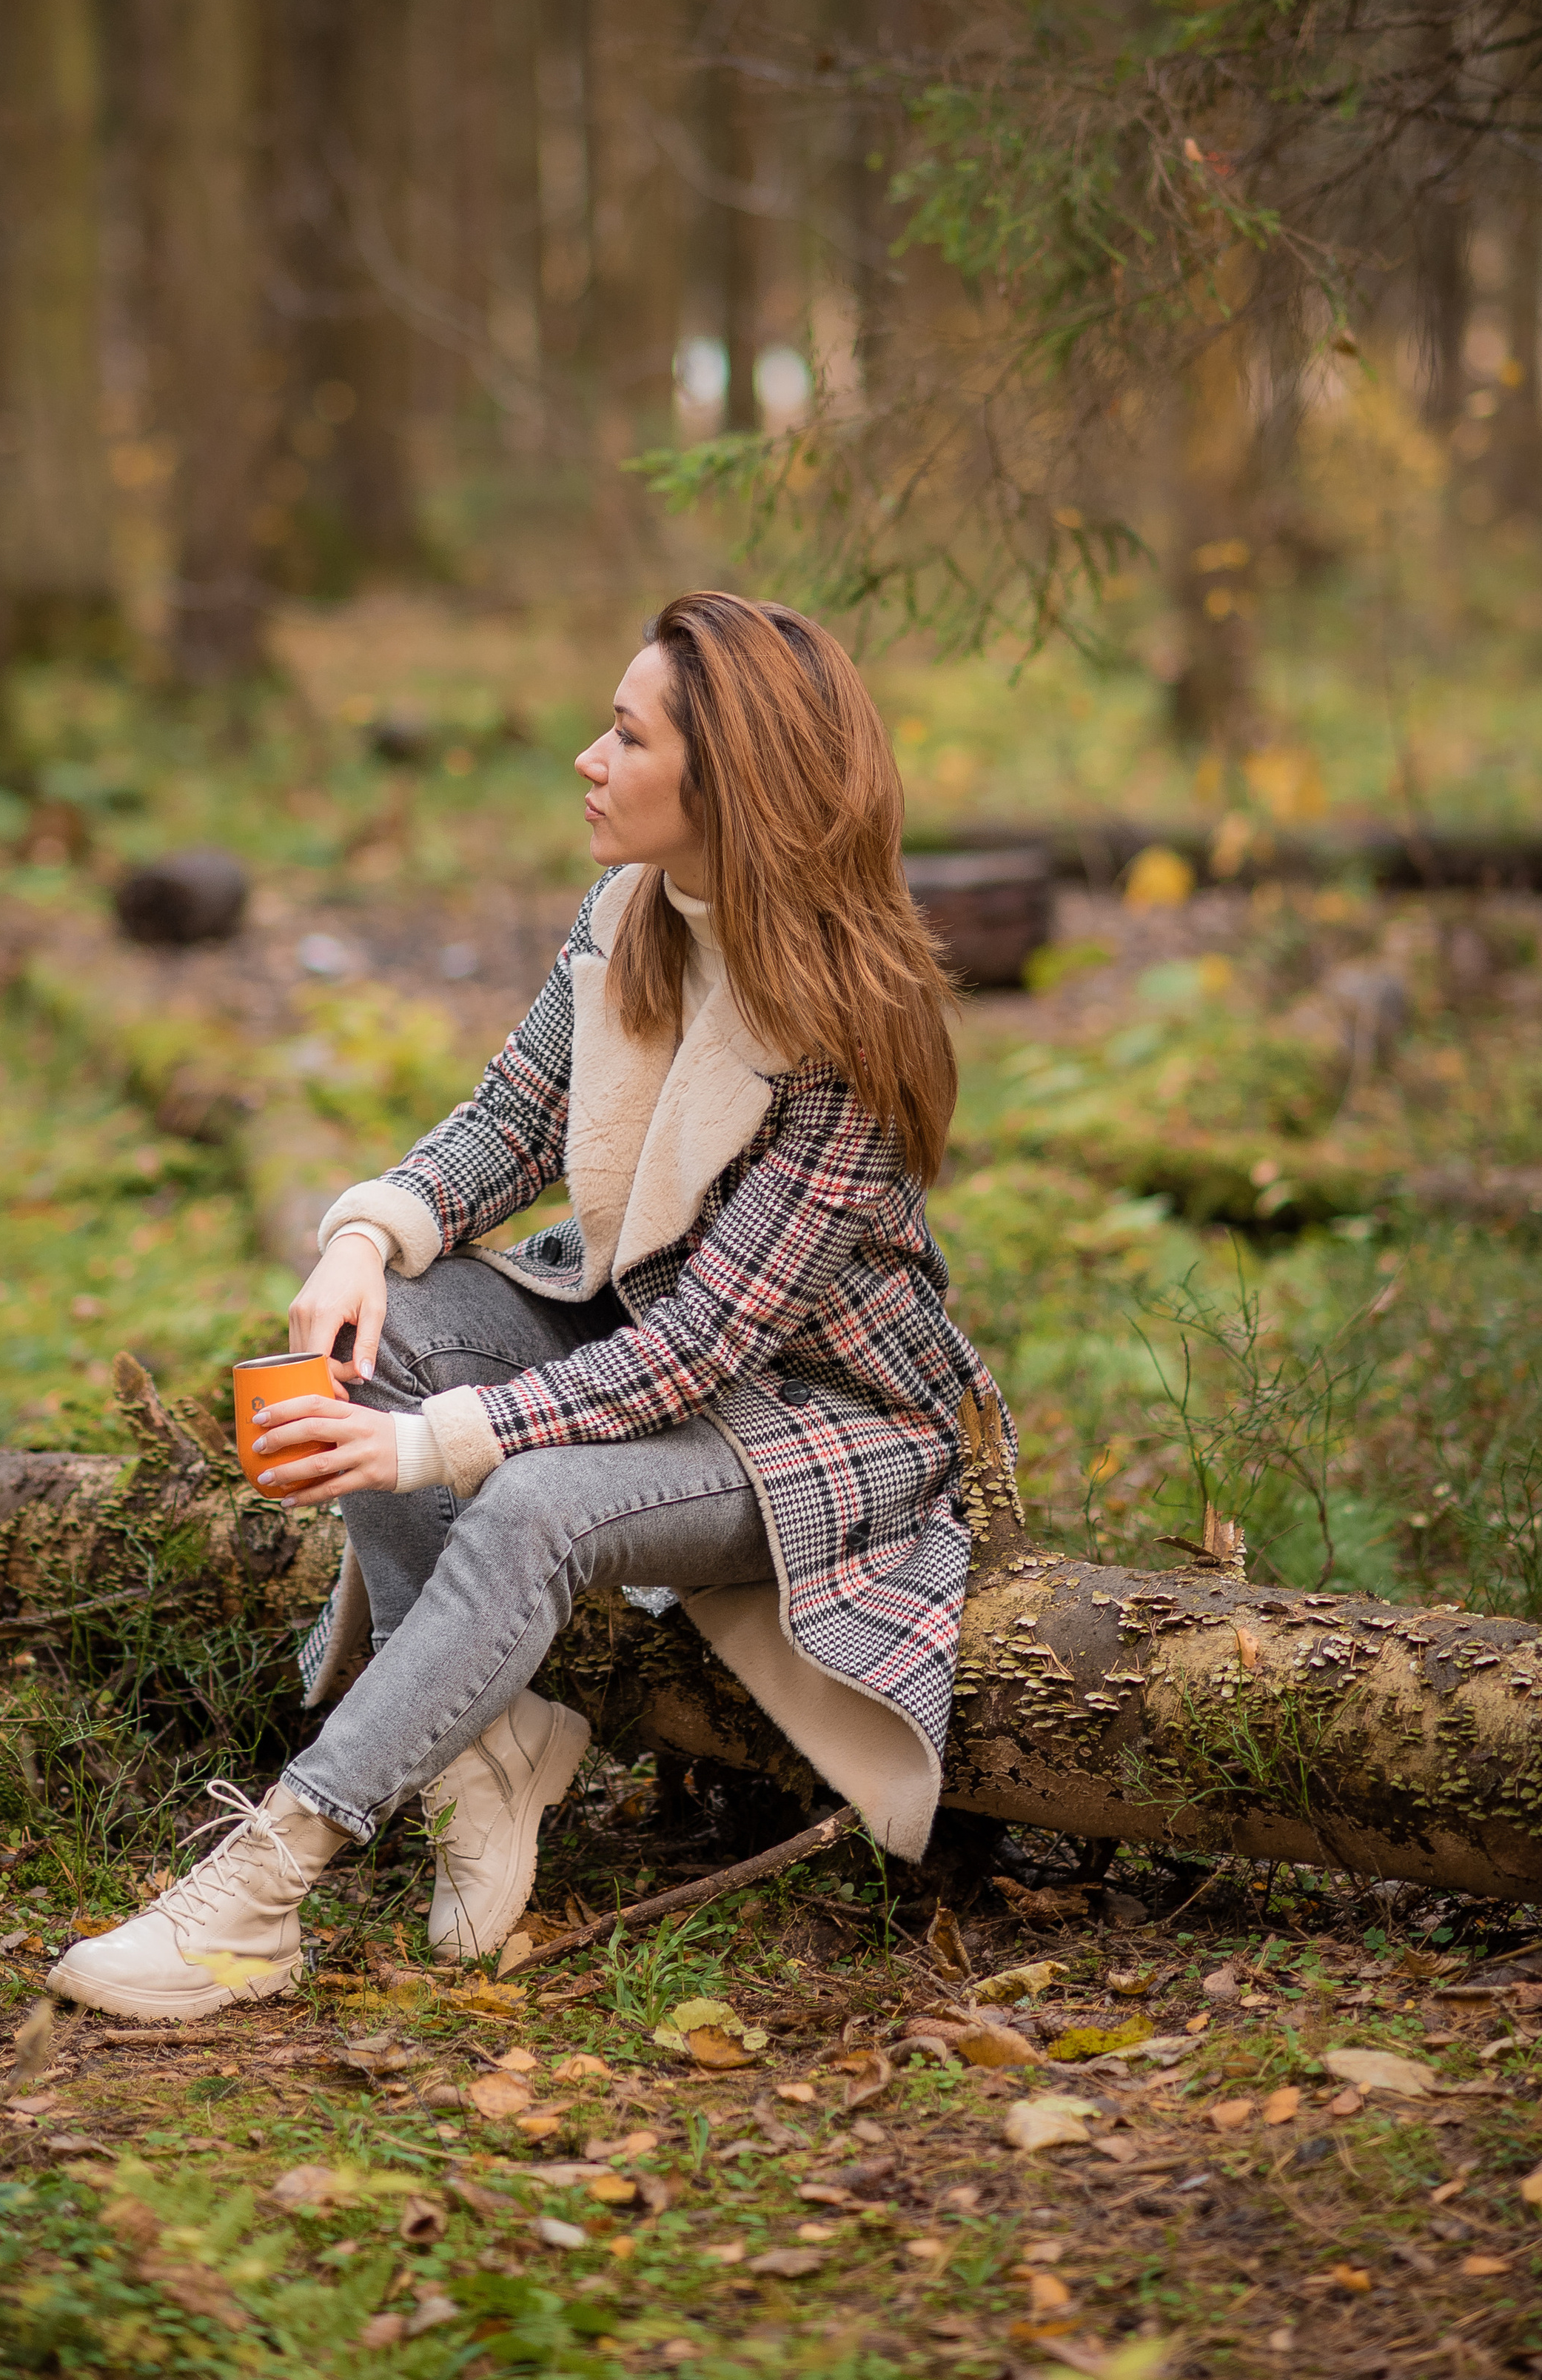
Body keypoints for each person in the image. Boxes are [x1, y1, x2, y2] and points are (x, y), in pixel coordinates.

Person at [50, 592, 1017, 2022]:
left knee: (529, 1502)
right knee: (382, 1343)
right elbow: (511, 1119)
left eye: (625, 737)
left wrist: (439, 1446)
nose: (586, 756)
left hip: (824, 1424)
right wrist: (368, 1236)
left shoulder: (854, 1035)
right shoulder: (634, 913)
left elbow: (700, 1355)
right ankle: (494, 1745)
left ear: (728, 782)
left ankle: (263, 1886)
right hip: (651, 1346)